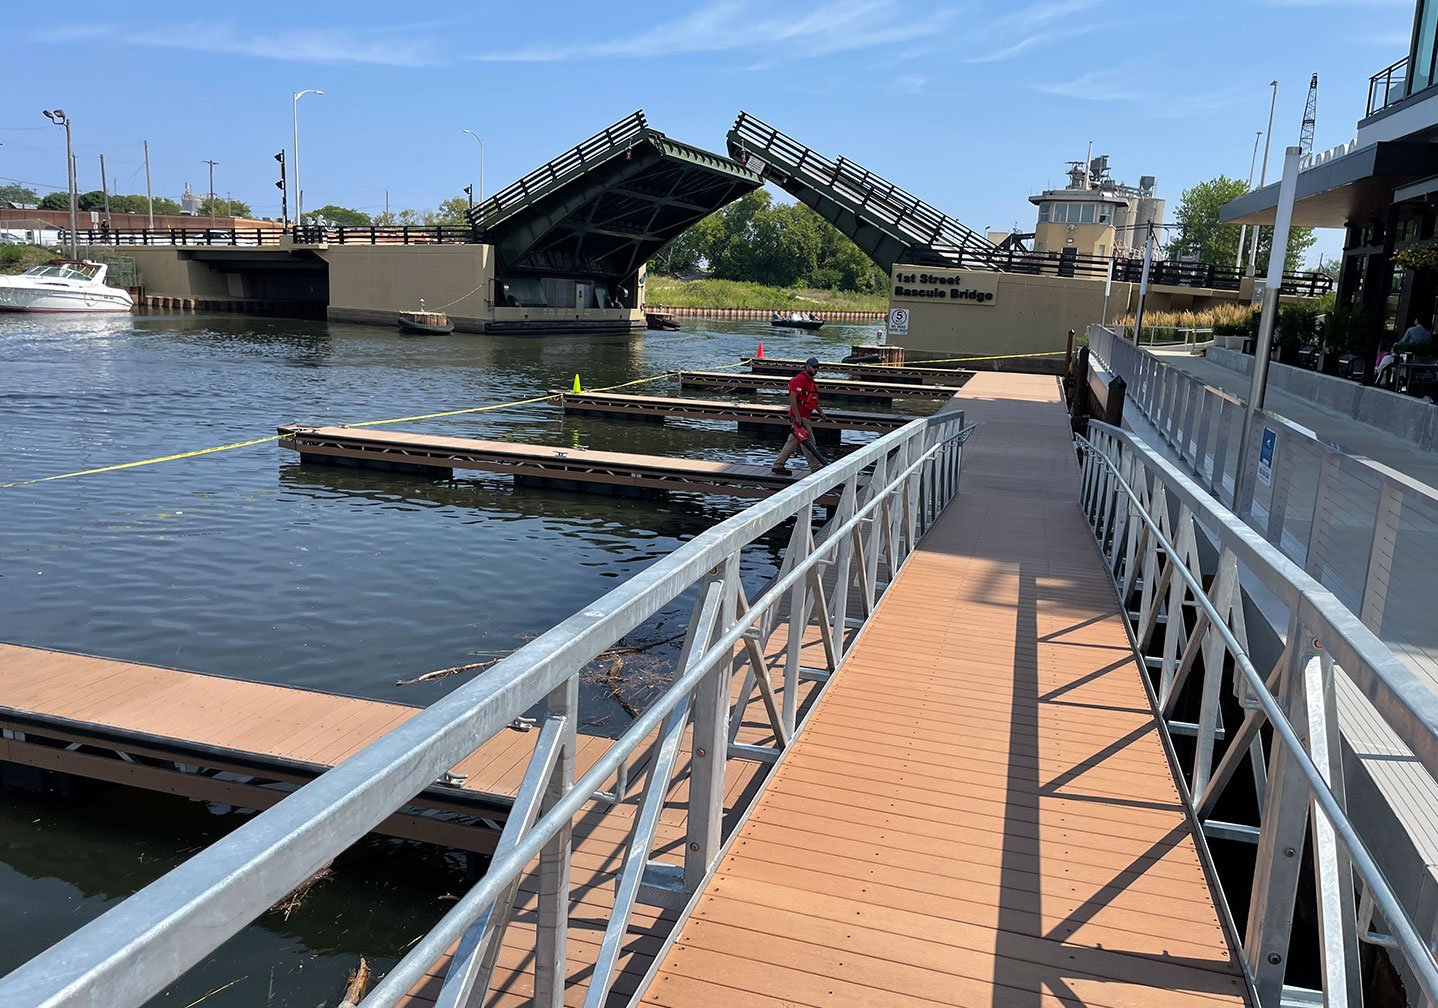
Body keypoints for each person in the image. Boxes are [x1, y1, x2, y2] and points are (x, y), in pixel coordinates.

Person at [772, 356, 828, 474]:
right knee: (809, 442)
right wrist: (797, 416)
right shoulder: (800, 379)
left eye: (817, 367)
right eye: (813, 367)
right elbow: (793, 397)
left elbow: (811, 400)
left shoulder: (810, 381)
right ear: (806, 366)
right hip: (800, 417)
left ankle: (778, 465)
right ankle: (815, 467)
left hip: (805, 416)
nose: (815, 369)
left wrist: (820, 412)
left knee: (793, 442)